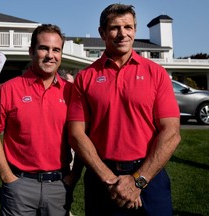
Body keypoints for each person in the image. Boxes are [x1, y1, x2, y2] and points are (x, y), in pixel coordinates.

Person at [68, 3, 181, 216]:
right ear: (102, 32)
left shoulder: (156, 73)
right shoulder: (85, 77)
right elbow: (76, 134)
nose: (123, 34)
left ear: (135, 31)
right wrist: (110, 180)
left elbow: (171, 133)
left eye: (128, 27)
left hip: (150, 179)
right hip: (102, 180)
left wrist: (138, 182)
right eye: (115, 28)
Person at [0, 24, 79, 216]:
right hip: (19, 185)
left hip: (59, 186)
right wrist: (6, 175)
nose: (50, 55)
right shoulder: (9, 89)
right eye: (44, 48)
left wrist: (74, 176)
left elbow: (82, 137)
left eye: (56, 50)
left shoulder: (71, 93)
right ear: (31, 51)